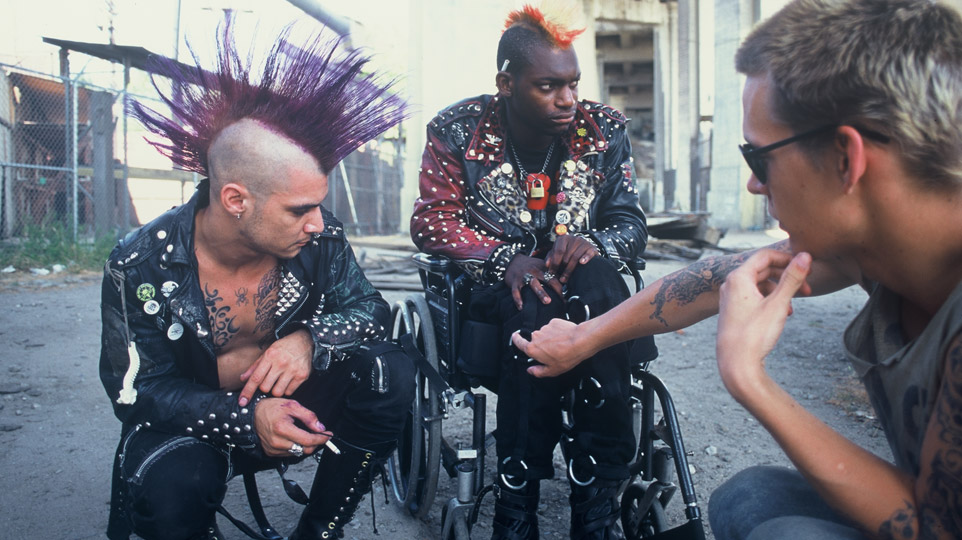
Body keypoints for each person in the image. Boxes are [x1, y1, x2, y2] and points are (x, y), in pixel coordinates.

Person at [513, 0, 962, 538]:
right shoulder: (872, 247)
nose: (752, 183)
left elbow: (938, 527)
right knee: (749, 497)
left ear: (847, 158)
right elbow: (713, 279)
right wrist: (584, 338)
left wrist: (748, 378)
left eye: (759, 158)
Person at [99, 19, 414, 540]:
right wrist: (246, 419)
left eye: (319, 205)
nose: (318, 223)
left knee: (389, 370)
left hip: (300, 408)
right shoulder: (140, 264)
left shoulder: (320, 240)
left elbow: (371, 311)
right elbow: (137, 392)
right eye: (299, 209)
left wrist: (309, 341)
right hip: (195, 428)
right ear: (235, 200)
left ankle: (319, 529)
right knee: (171, 495)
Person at [410, 4, 656, 539]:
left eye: (573, 84)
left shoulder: (604, 129)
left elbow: (631, 224)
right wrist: (504, 259)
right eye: (549, 86)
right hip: (497, 288)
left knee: (596, 283)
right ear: (507, 83)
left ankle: (596, 492)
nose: (568, 99)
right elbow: (432, 222)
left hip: (585, 284)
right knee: (533, 302)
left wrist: (590, 243)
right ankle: (516, 496)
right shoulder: (456, 130)